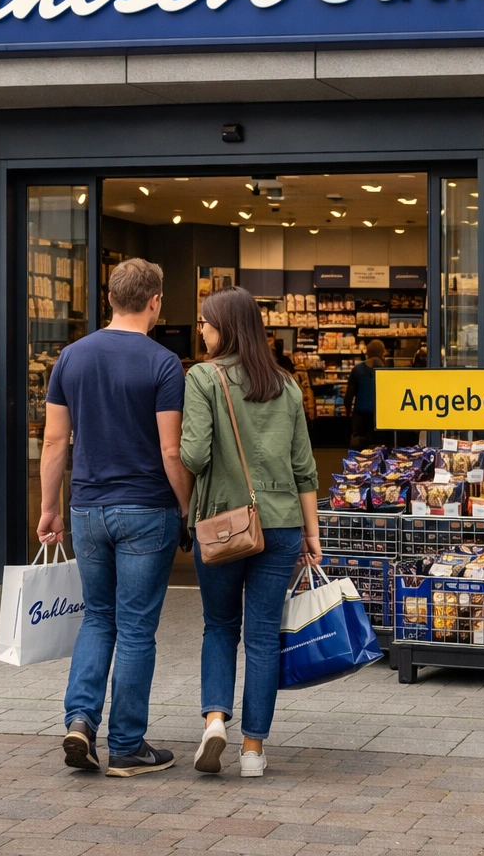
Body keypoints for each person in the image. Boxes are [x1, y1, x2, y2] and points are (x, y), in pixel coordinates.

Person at [37, 258, 193, 778]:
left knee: (97, 617)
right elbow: (172, 451)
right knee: (136, 629)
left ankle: (80, 719)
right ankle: (127, 745)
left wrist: (48, 509)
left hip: (86, 506)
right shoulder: (164, 363)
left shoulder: (71, 358)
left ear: (109, 298)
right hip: (147, 507)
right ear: (155, 302)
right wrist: (187, 508)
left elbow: (56, 441)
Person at [180, 288, 321, 779]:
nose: (201, 330)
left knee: (220, 626)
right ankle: (254, 751)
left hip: (222, 526)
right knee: (262, 637)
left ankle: (215, 719)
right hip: (281, 526)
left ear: (225, 327)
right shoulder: (286, 384)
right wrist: (312, 534)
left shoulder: (203, 377)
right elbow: (305, 469)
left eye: (205, 322)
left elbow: (194, 456)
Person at [344, 339, 388, 448]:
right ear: (382, 353)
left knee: (359, 446)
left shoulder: (357, 370)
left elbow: (349, 395)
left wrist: (348, 412)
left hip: (360, 414)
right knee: (378, 446)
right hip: (380, 415)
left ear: (367, 352)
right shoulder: (386, 371)